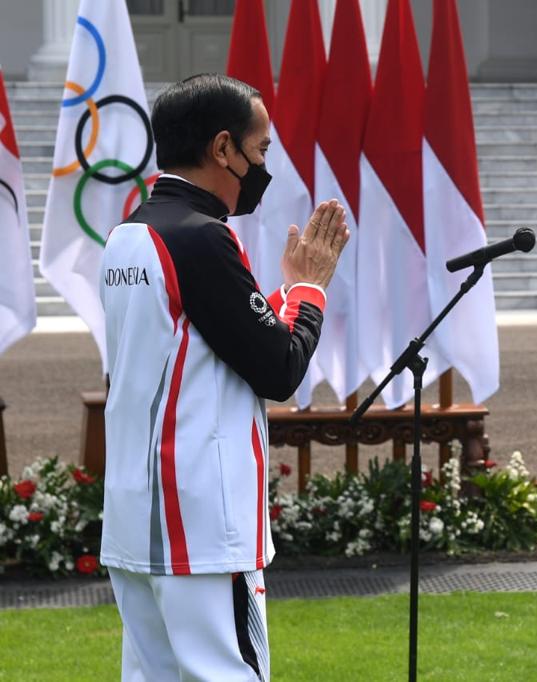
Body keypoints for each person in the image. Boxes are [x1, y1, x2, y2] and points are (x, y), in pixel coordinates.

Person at [99, 73, 349, 681]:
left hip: (138, 515)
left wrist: (285, 292)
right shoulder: (203, 238)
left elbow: (208, 342)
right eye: (260, 151)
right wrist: (309, 288)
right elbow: (279, 366)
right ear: (222, 149)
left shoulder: (129, 233)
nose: (264, 167)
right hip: (201, 525)